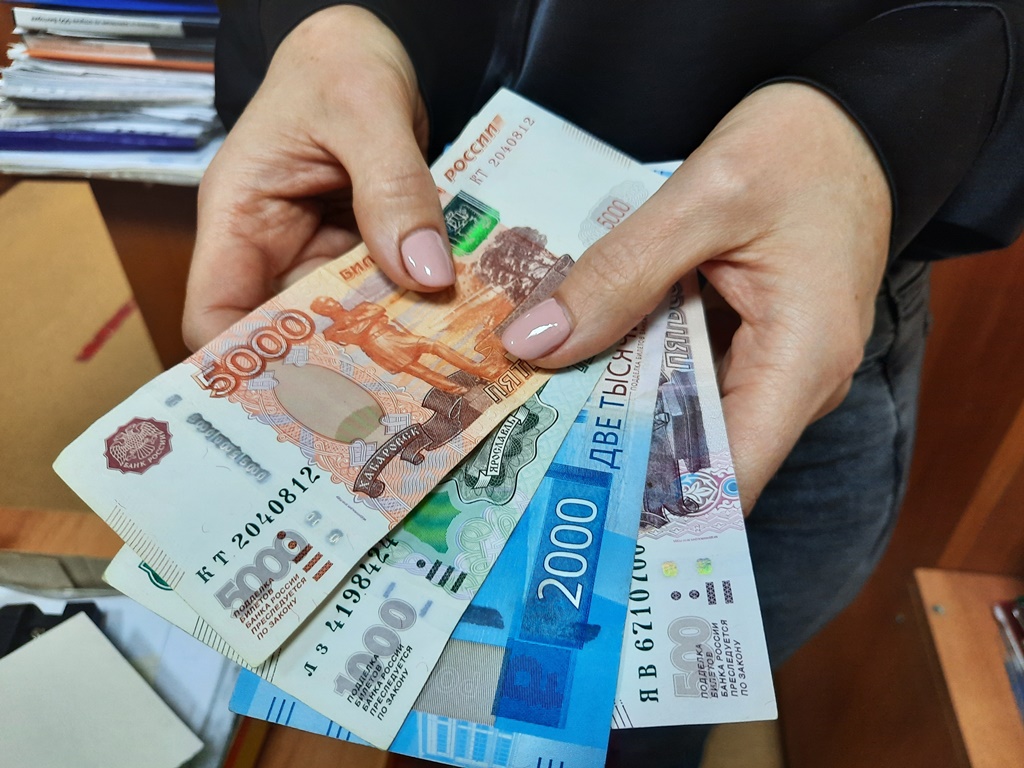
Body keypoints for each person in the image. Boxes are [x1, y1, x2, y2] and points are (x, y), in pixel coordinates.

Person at [183, 3, 1024, 764]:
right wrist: (324, 23)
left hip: (761, 312)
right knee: (421, 696)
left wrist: (875, 121)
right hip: (375, 226)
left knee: (629, 729)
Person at [310, 295, 499, 393]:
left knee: (434, 345)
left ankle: (477, 369)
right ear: (323, 311)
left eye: (330, 299)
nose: (332, 302)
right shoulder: (330, 332)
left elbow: (378, 310)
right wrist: (365, 324)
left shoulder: (361, 307)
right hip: (380, 348)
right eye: (326, 304)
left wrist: (359, 326)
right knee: (419, 370)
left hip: (394, 336)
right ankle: (456, 390)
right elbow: (354, 336)